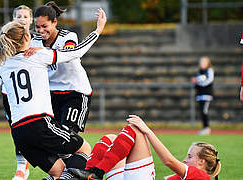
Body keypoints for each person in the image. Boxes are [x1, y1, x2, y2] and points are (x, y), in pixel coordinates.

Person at [0, 8, 107, 180]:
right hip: (41, 124)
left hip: (19, 133)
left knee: (59, 172)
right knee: (85, 149)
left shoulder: (2, 66)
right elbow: (76, 53)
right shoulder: (39, 55)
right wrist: (98, 30)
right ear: (27, 38)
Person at [29, 2, 93, 175]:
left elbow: (66, 55)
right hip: (50, 95)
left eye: (45, 26)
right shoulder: (33, 40)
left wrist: (41, 54)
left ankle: (84, 170)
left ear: (55, 22)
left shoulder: (68, 36)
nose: (40, 30)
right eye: (37, 26)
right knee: (53, 141)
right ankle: (66, 174)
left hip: (75, 92)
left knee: (67, 137)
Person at [69, 115, 221, 180]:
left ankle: (96, 173)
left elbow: (168, 161)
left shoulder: (202, 177)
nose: (185, 159)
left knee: (136, 129)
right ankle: (90, 174)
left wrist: (148, 130)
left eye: (190, 156)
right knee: (110, 139)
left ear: (201, 162)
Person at [0, 5, 33, 180]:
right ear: (13, 19)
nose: (22, 19)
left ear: (31, 20)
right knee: (18, 131)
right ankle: (21, 168)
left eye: (25, 16)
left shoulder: (37, 40)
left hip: (36, 95)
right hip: (11, 94)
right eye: (18, 16)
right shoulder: (3, 42)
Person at [191, 57, 214, 135]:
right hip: (200, 95)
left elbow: (209, 81)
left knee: (204, 111)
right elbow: (196, 84)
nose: (202, 64)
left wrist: (199, 82)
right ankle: (204, 128)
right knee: (201, 112)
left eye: (204, 62)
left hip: (206, 95)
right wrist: (195, 82)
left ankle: (207, 128)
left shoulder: (209, 71)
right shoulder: (199, 72)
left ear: (208, 63)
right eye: (201, 62)